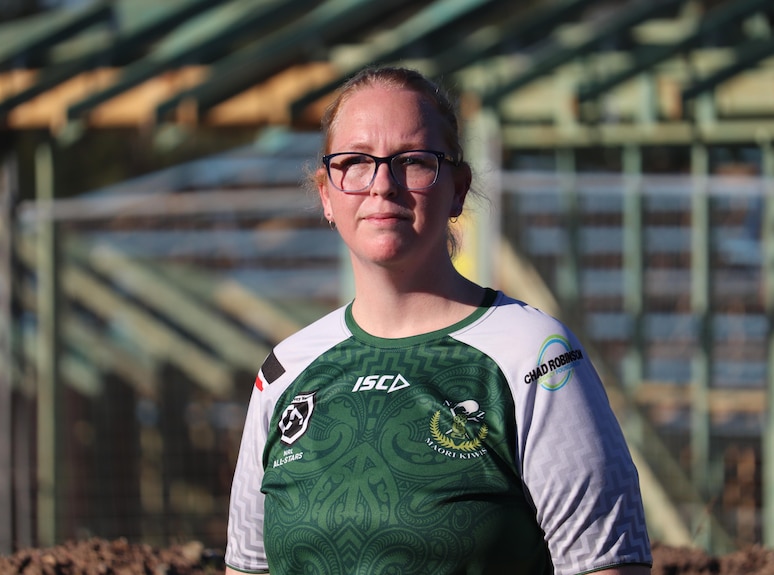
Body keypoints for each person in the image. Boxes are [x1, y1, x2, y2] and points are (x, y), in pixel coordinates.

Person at [223, 66, 652, 575]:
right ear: (326, 194)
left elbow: (607, 566)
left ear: (458, 189)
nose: (382, 185)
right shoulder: (284, 371)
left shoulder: (532, 356)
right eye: (355, 162)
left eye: (413, 161)